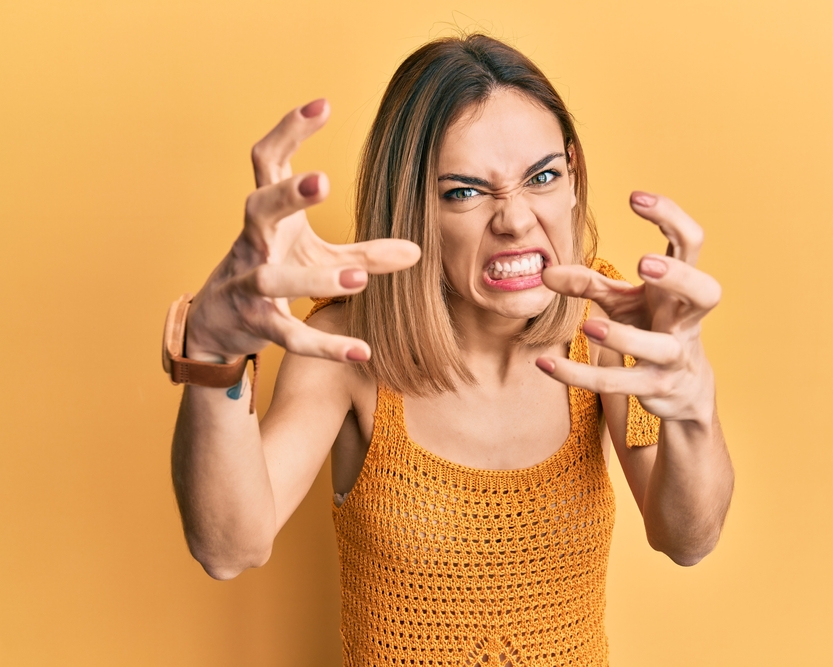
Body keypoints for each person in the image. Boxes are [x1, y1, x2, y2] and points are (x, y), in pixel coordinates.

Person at [165, 33, 734, 665]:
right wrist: (210, 354)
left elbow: (688, 538)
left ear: (573, 176)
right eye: (463, 191)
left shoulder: (610, 325)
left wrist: (693, 408)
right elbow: (227, 547)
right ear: (413, 209)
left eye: (541, 177)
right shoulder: (345, 346)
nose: (515, 220)